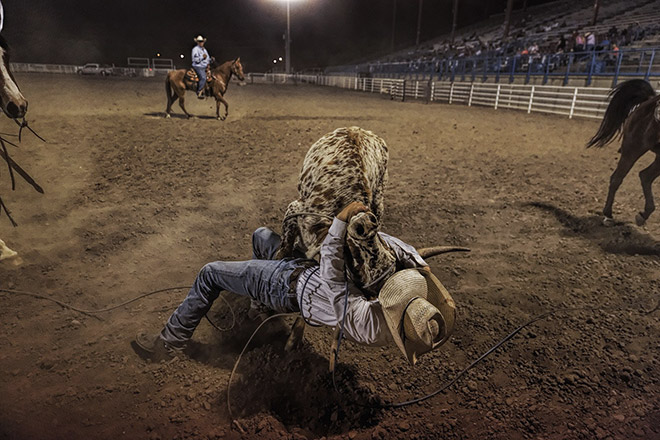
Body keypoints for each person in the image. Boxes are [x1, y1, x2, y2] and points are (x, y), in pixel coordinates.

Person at [134, 202, 453, 365]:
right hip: (302, 272)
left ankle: (168, 344)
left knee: (210, 272)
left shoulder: (366, 323)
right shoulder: (396, 309)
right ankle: (259, 310)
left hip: (290, 286)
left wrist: (340, 223)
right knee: (261, 235)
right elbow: (383, 247)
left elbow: (332, 273)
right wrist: (412, 257)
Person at [191, 35, 211, 99]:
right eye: (200, 42)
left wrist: (210, 60)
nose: (201, 43)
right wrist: (202, 57)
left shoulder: (204, 50)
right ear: (197, 42)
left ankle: (208, 91)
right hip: (198, 66)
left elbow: (207, 58)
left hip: (204, 66)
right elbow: (195, 60)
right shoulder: (195, 49)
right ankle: (199, 91)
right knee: (203, 78)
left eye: (202, 41)